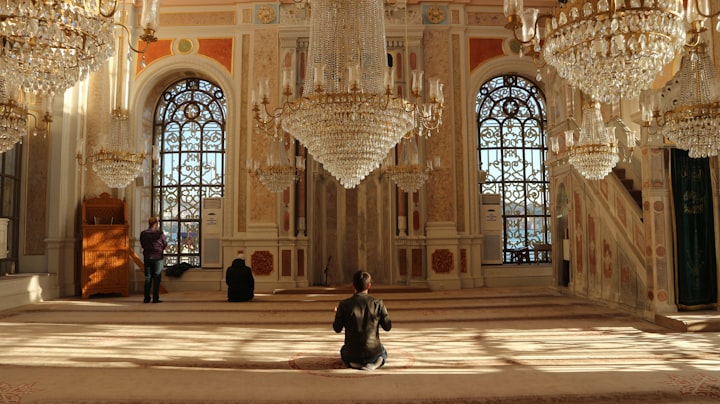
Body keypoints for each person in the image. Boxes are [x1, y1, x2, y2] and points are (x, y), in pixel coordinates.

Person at [333, 270, 392, 371]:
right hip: (373, 353)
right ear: (369, 285)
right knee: (383, 352)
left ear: (353, 285)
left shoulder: (344, 305)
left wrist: (338, 315)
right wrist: (384, 314)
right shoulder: (378, 303)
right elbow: (387, 327)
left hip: (351, 354)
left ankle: (353, 363)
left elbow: (337, 328)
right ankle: (374, 364)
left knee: (343, 350)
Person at [140, 217, 168, 303]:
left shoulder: (143, 233)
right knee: (157, 278)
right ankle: (155, 298)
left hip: (147, 257)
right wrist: (160, 249)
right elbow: (165, 244)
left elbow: (142, 244)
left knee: (148, 278)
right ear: (156, 224)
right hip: (157, 258)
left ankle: (146, 298)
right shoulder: (159, 233)